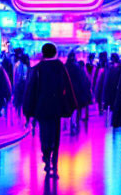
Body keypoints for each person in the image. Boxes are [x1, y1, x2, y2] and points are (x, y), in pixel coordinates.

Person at [23, 43, 77, 177]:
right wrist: (72, 105)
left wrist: (28, 110)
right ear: (55, 53)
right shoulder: (60, 67)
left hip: (41, 107)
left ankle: (46, 156)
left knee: (44, 134)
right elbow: (68, 87)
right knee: (56, 135)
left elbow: (31, 90)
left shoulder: (37, 69)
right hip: (56, 107)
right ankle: (54, 163)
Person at [65, 52, 92, 131]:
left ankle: (70, 124)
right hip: (77, 92)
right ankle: (76, 123)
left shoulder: (65, 67)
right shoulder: (77, 68)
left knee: (69, 109)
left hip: (67, 91)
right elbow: (83, 80)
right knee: (77, 108)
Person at [13, 54, 30, 121]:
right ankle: (22, 118)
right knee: (22, 102)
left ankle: (19, 116)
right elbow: (22, 77)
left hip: (18, 86)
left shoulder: (17, 65)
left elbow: (16, 77)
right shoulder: (23, 66)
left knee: (19, 103)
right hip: (22, 86)